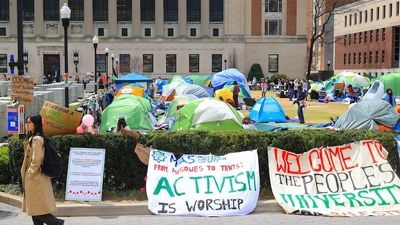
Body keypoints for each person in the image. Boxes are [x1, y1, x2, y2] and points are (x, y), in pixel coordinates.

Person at [21, 115, 64, 225]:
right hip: (37, 177)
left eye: (29, 122)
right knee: (34, 209)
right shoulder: (35, 137)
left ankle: (57, 223)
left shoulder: (37, 139)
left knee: (37, 208)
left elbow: (37, 159)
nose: (27, 124)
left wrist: (29, 174)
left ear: (35, 124)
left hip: (35, 178)